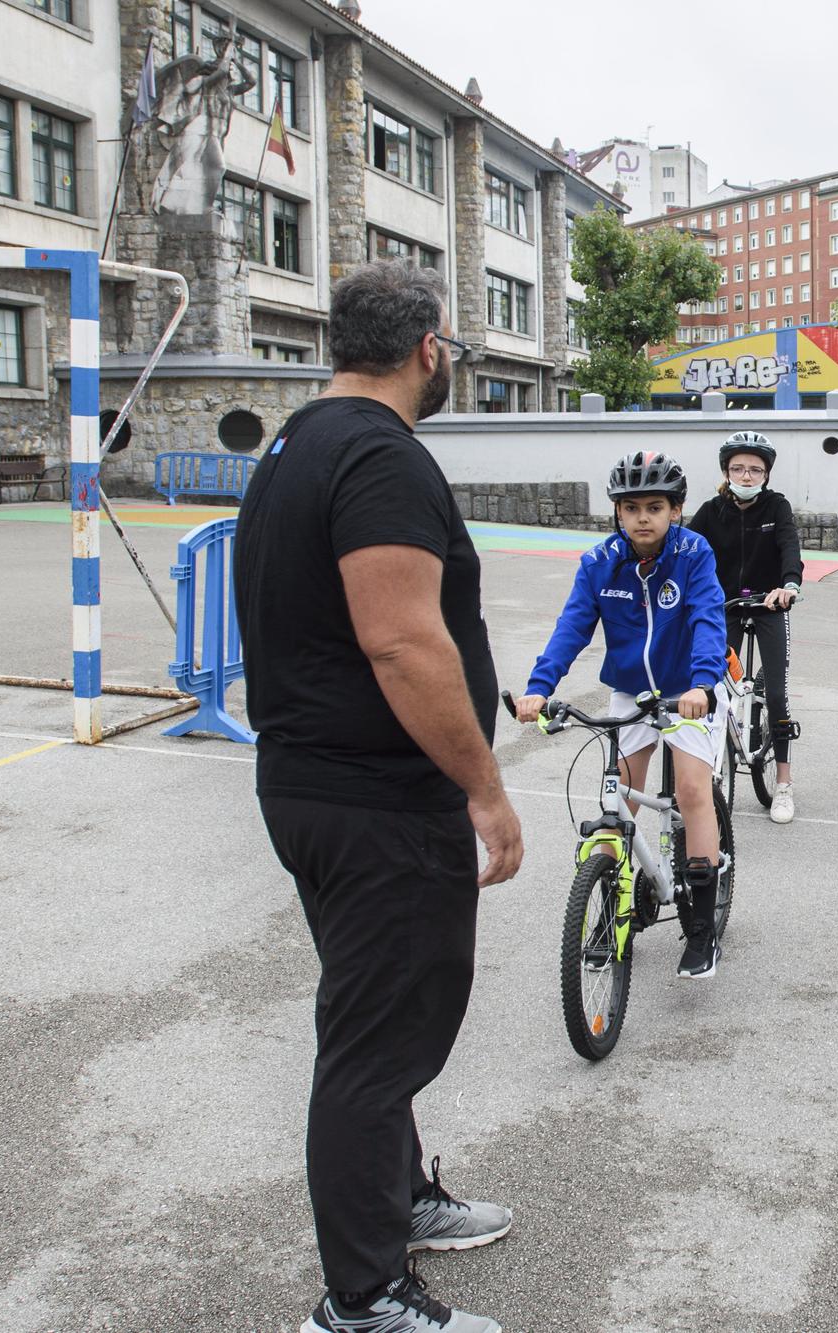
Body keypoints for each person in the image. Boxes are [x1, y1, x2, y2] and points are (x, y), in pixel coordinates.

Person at [234, 260, 520, 1333]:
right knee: (378, 1040)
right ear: (428, 349)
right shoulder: (380, 455)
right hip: (376, 802)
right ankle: (360, 1298)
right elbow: (401, 639)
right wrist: (483, 790)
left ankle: (399, 1196)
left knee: (374, 1010)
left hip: (311, 785)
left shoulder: (297, 442)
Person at [516, 451, 731, 979]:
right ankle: (615, 902)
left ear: (675, 510)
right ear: (616, 512)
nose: (642, 517)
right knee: (621, 797)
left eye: (654, 506)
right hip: (631, 692)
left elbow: (707, 617)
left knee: (691, 791)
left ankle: (701, 929)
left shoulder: (694, 553)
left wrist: (703, 683)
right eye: (630, 507)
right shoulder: (599, 562)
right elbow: (572, 627)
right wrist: (539, 690)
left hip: (688, 690)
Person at [690, 429, 803, 824]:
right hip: (725, 607)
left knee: (775, 693)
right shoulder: (710, 512)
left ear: (766, 474)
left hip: (770, 605)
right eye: (738, 468)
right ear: (726, 471)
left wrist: (788, 585)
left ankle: (784, 784)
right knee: (714, 689)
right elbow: (687, 552)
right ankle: (708, 772)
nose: (746, 476)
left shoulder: (777, 508)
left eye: (755, 469)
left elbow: (790, 546)